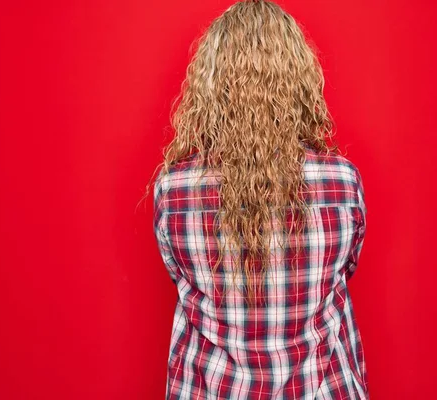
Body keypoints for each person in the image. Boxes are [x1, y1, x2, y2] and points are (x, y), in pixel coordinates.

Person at [146, 1, 368, 398]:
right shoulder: (342, 183)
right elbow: (345, 271)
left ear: (209, 87)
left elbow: (178, 277)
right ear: (298, 80)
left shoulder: (174, 189)